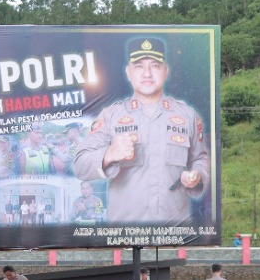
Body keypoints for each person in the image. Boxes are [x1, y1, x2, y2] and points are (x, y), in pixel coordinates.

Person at [72, 36, 210, 224]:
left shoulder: (188, 116)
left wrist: (197, 176)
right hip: (124, 235)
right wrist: (109, 154)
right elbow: (80, 165)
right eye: (139, 66)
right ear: (129, 72)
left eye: (154, 65)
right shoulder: (111, 116)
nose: (147, 73)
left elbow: (200, 158)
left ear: (165, 71)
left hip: (175, 234)